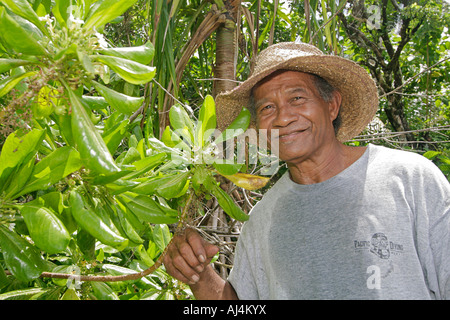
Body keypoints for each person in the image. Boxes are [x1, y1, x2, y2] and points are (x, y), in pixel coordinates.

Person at [162, 42, 450, 299]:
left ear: (332, 105)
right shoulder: (263, 219)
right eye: (266, 108)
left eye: (297, 98)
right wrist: (198, 276)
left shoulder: (410, 179)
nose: (283, 118)